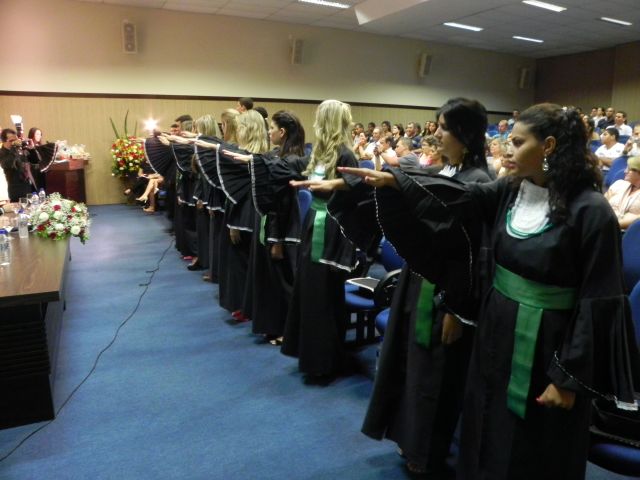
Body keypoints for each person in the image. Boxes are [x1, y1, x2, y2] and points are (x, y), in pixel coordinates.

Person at [338, 103, 640, 479]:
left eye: (518, 142)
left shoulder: (591, 211)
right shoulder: (510, 191)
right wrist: (397, 182)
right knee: (484, 423)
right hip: (495, 331)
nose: (506, 149)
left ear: (548, 146)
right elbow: (458, 197)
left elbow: (599, 299)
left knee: (533, 442)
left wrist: (567, 380)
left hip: (546, 345)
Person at [605, 155, 640, 229]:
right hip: (605, 224)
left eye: (629, 169)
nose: (625, 171)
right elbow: (603, 204)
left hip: (625, 231)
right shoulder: (618, 184)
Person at [0, 128, 36, 201]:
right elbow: (7, 164)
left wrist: (32, 149)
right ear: (4, 141)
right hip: (17, 191)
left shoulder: (19, 149)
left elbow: (35, 161)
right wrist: (14, 148)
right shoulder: (2, 152)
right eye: (12, 141)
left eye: (16, 140)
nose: (15, 142)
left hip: (29, 187)